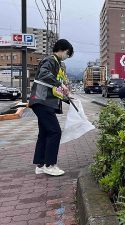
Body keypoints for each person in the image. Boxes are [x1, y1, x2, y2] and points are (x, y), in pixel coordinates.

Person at [28, 39, 74, 176]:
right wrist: (61, 85)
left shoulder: (56, 63)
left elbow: (54, 88)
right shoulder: (51, 60)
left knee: (45, 133)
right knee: (55, 132)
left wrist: (69, 99)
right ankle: (50, 164)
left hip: (41, 101)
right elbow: (44, 74)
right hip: (42, 101)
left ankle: (40, 165)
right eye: (67, 53)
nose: (67, 56)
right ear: (63, 49)